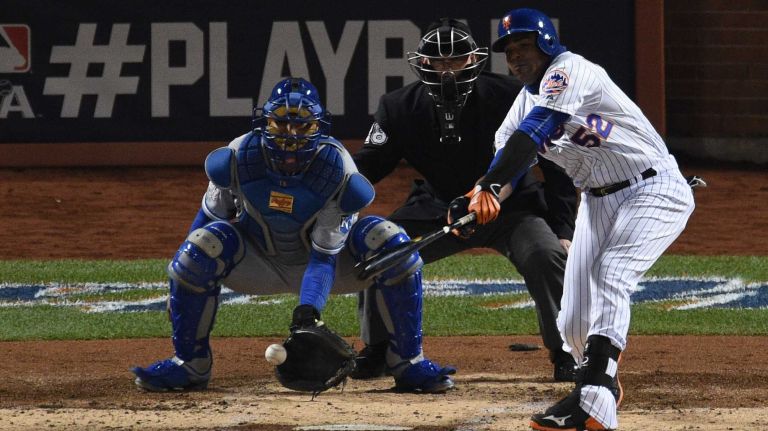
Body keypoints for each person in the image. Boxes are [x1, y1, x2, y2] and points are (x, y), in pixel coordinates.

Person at [130, 77, 456, 394]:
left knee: (389, 241)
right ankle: (190, 364)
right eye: (283, 124)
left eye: (302, 126)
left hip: (325, 268)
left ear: (318, 127)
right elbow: (206, 223)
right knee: (203, 245)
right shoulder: (238, 156)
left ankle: (408, 362)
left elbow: (324, 258)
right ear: (266, 123)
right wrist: (183, 285)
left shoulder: (337, 169)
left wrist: (308, 312)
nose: (291, 135)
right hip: (258, 263)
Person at [465, 8, 695, 430]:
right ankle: (601, 382)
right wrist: (483, 195)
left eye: (524, 46)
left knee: (612, 272)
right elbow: (511, 162)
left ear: (547, 43)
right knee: (572, 324)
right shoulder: (521, 106)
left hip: (652, 187)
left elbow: (538, 130)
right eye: (509, 51)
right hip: (597, 202)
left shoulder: (570, 71)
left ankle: (594, 402)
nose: (516, 57)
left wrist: (492, 184)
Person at [351, 18, 579, 383]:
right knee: (382, 251)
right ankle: (379, 349)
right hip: (437, 208)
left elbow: (556, 166)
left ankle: (567, 351)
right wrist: (331, 181)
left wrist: (563, 227)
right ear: (421, 64)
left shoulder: (514, 96)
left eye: (455, 60)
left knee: (546, 254)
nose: (447, 70)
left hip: (513, 208)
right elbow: (369, 166)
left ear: (473, 60)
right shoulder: (398, 106)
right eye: (438, 62)